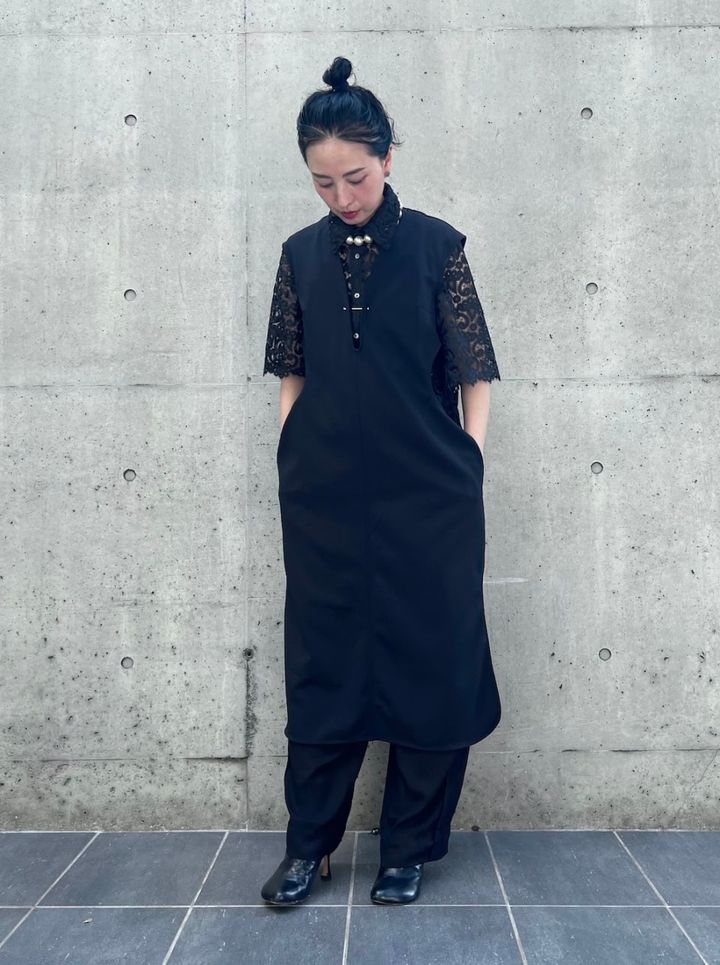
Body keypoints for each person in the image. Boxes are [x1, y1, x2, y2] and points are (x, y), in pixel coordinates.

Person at [260, 55, 502, 906]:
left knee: (433, 663)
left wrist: (467, 464)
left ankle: (409, 845)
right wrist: (292, 453)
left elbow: (474, 371)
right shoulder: (299, 256)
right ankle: (309, 845)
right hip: (323, 500)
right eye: (322, 182)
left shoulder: (439, 247)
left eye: (355, 177)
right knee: (323, 665)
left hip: (430, 499)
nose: (341, 196)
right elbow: (290, 369)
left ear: (388, 157)